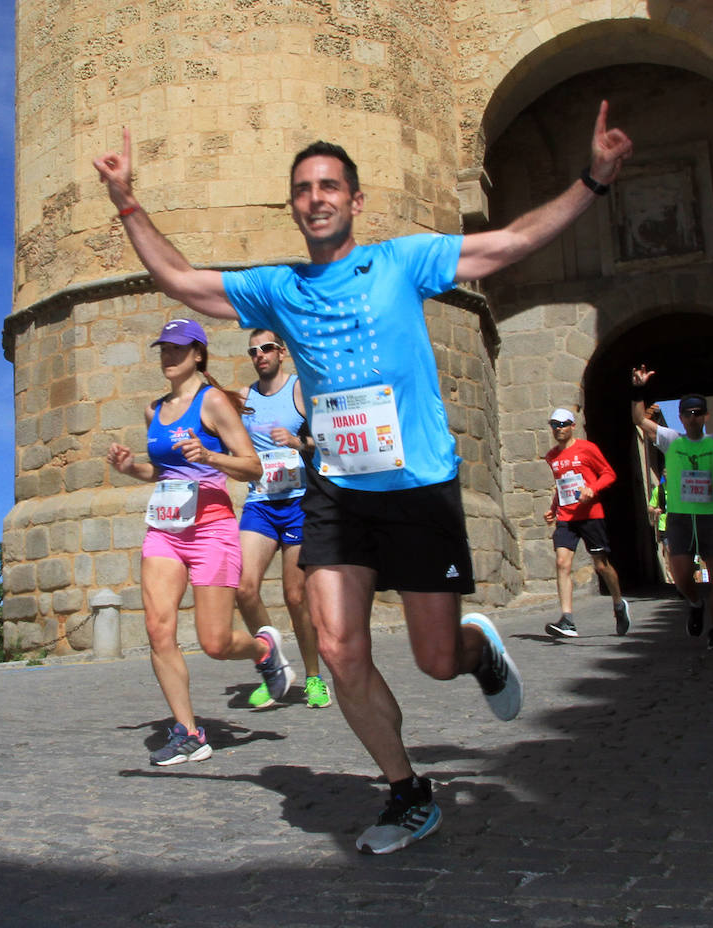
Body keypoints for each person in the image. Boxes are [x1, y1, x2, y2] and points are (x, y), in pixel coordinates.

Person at [94, 101, 632, 853]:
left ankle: (478, 650)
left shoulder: (403, 261)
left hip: (419, 489)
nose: (316, 198)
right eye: (304, 189)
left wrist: (595, 181)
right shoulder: (277, 287)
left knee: (435, 661)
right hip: (338, 492)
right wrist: (126, 202)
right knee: (342, 647)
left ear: (354, 200)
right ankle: (408, 793)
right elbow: (183, 281)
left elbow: (507, 243)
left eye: (329, 186)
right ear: (295, 206)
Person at [106, 318, 295, 766]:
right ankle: (188, 731)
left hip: (211, 525)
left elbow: (252, 467)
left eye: (176, 349)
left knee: (215, 642)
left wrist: (209, 455)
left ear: (197, 354)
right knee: (158, 628)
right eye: (162, 349)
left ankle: (264, 649)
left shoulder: (213, 403)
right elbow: (162, 471)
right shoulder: (154, 410)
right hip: (166, 528)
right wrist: (131, 467)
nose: (167, 357)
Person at [235, 328, 331, 710]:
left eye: (267, 348)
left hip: (297, 502)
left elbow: (327, 441)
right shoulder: (244, 398)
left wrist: (298, 443)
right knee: (244, 589)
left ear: (282, 352)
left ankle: (313, 677)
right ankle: (273, 668)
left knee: (296, 597)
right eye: (253, 351)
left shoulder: (298, 391)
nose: (260, 355)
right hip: (260, 501)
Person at [630, 365, 713, 650]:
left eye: (698, 412)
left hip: (711, 517)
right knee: (683, 575)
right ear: (682, 417)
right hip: (681, 517)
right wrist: (639, 389)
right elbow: (639, 418)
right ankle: (696, 603)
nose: (693, 417)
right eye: (688, 413)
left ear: (705, 416)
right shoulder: (672, 440)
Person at [541, 407, 631, 638]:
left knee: (601, 565)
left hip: (591, 515)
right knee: (562, 563)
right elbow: (562, 486)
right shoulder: (552, 456)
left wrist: (592, 489)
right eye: (554, 425)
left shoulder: (587, 449)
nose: (558, 429)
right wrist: (553, 509)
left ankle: (619, 604)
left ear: (573, 426)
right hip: (566, 518)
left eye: (563, 424)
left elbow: (609, 474)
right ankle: (567, 620)